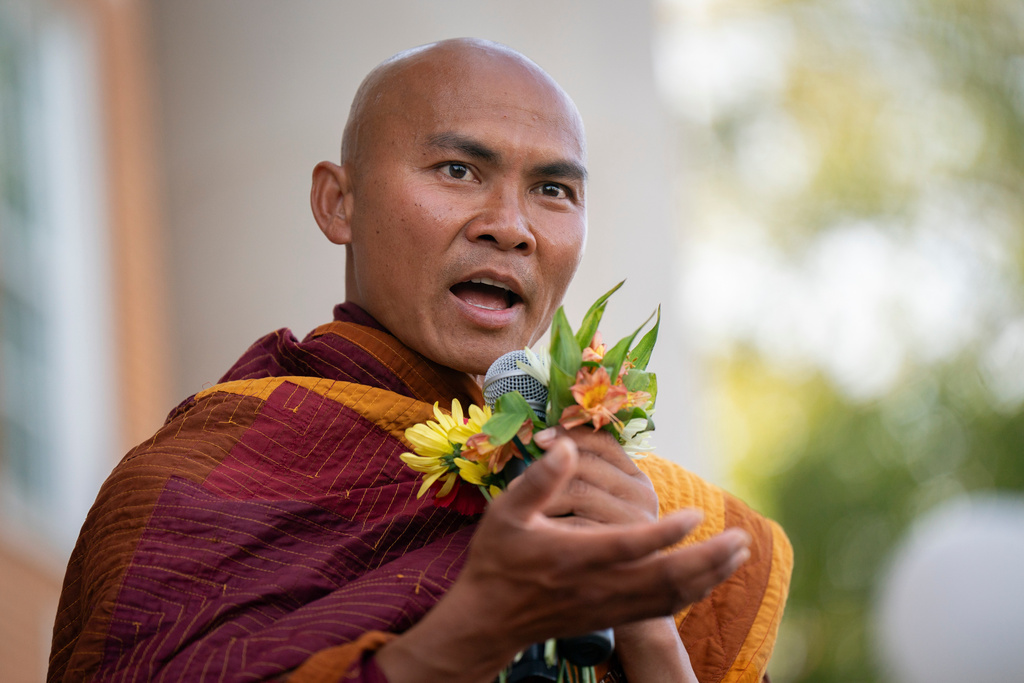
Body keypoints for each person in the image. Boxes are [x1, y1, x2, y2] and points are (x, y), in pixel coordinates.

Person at [48, 38, 792, 683]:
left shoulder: (641, 507)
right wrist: (469, 631)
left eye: (553, 190)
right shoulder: (208, 483)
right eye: (458, 171)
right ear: (338, 203)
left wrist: (647, 621)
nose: (511, 227)